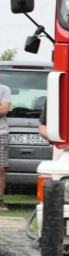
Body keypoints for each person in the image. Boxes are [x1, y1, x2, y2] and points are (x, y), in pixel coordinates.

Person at [0, 82, 11, 211]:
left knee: (1, 168)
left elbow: (4, 110)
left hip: (1, 133)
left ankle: (0, 200)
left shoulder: (4, 89)